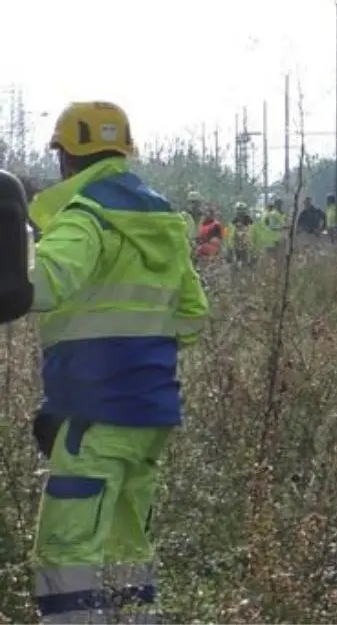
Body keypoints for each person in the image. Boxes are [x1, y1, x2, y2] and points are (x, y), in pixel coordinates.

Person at [19, 101, 208, 623]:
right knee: (127, 549)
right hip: (150, 416)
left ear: (66, 159)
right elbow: (193, 317)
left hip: (92, 415)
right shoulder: (164, 220)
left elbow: (41, 285)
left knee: (67, 552)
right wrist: (138, 353)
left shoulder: (85, 216)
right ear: (124, 151)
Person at [228, 202, 255, 266]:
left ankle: (250, 259)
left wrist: (247, 230)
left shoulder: (248, 218)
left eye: (241, 209)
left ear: (244, 210)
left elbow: (252, 227)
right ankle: (233, 257)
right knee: (232, 245)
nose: (240, 212)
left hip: (246, 236)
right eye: (238, 209)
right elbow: (231, 227)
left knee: (250, 246)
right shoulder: (235, 219)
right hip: (237, 236)